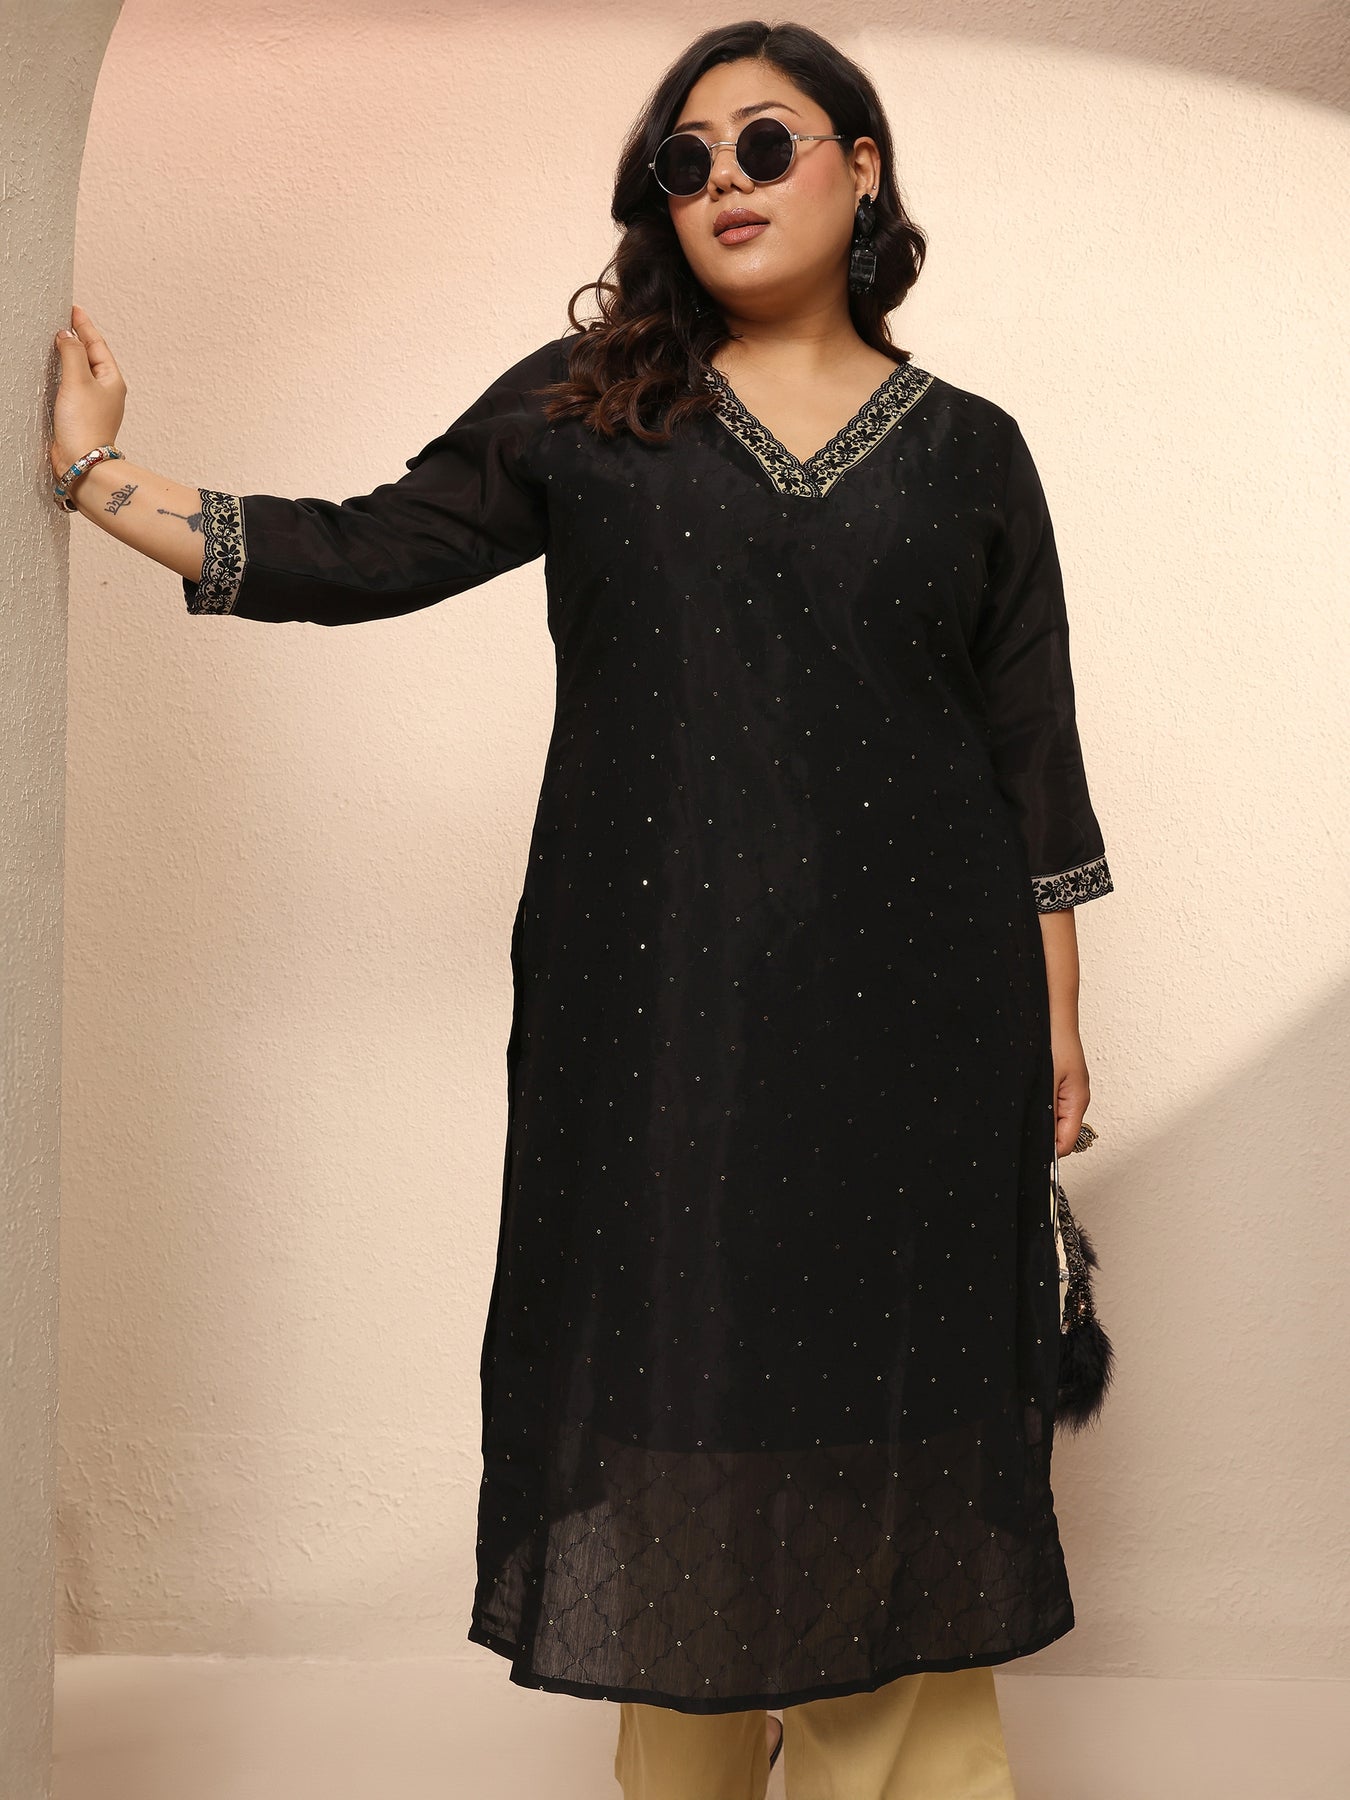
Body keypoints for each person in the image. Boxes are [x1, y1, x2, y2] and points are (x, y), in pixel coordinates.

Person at [49, 18, 1114, 1799]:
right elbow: (362, 549)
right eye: (682, 162)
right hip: (663, 1020)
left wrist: (1058, 1030)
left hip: (929, 1031)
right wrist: (98, 477)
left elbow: (1032, 760)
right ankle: (690, 1754)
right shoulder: (598, 409)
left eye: (763, 143)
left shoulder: (971, 452)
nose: (721, 183)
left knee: (889, 1407)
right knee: (681, 1389)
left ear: (861, 167)